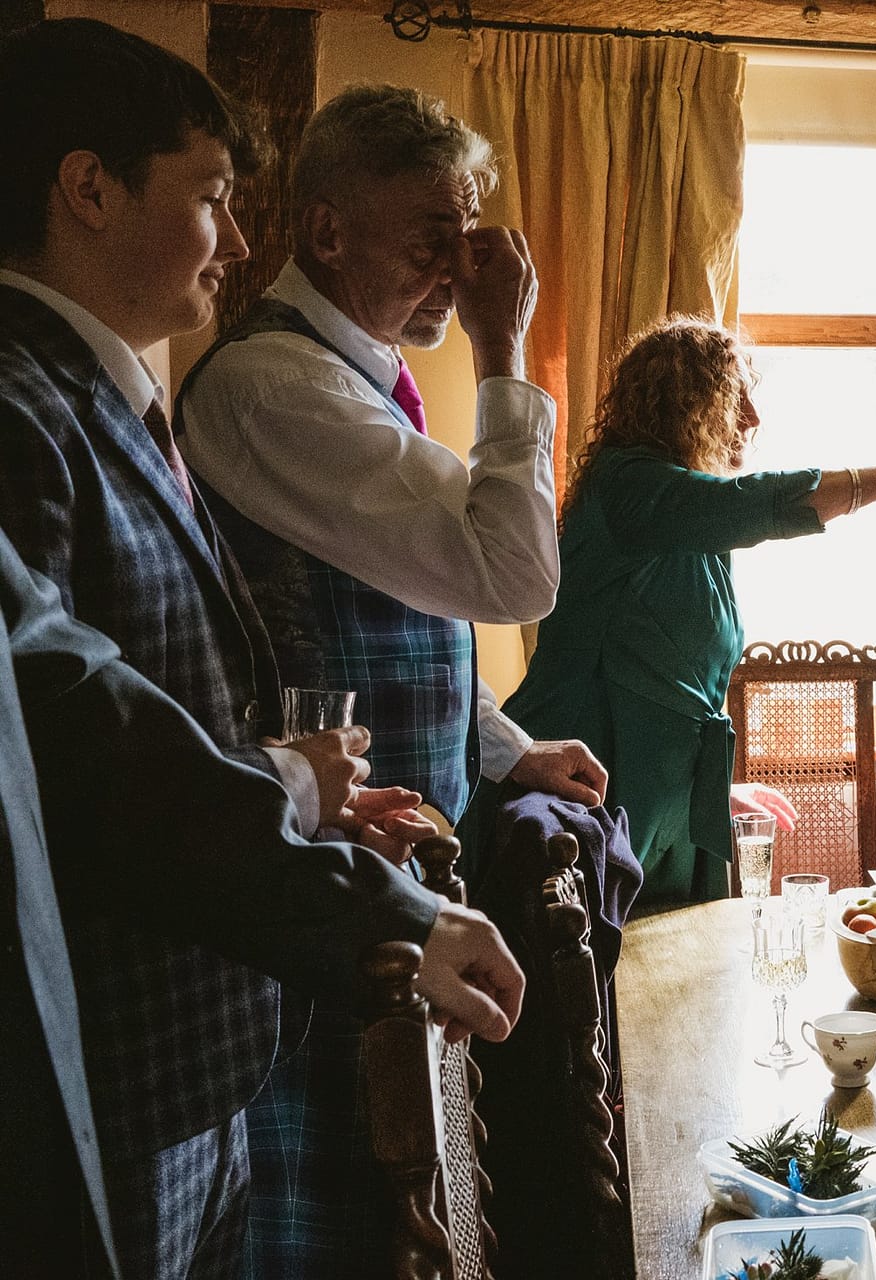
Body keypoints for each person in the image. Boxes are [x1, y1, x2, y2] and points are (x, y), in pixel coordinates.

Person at [0, 19, 422, 1273]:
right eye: (214, 197)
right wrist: (284, 786)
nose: (239, 241)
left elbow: (164, 690)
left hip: (203, 1066)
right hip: (119, 1078)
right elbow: (66, 732)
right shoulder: (20, 408)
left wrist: (303, 794)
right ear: (89, 188)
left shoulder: (106, 389)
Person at [171, 84, 603, 1275]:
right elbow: (507, 573)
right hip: (329, 886)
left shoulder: (350, 381)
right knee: (351, 1225)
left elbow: (397, 610)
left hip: (400, 879)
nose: (457, 276)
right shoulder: (273, 387)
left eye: (466, 245)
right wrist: (510, 350)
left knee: (409, 1206)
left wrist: (509, 749)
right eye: (432, 240)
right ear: (325, 233)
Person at [0, 527, 525, 1279]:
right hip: (123, 1074)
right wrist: (376, 891)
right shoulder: (37, 418)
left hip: (217, 1058)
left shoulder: (144, 430)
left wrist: (308, 821)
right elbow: (75, 742)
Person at [487, 315, 876, 905]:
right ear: (689, 405)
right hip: (588, 786)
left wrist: (711, 794)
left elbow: (675, 682)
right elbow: (757, 505)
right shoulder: (627, 488)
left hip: (667, 807)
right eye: (736, 399)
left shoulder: (691, 524)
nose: (754, 419)